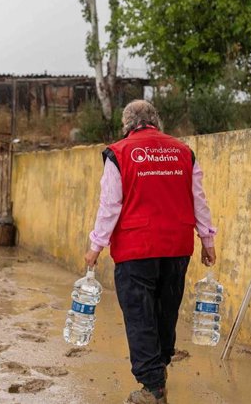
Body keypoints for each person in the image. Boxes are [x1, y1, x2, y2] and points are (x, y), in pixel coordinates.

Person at [85, 100, 217, 404]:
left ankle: (153, 388)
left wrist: (96, 246)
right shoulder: (184, 152)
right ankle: (160, 368)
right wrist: (207, 241)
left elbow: (110, 205)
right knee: (165, 311)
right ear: (156, 120)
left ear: (126, 124)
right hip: (177, 246)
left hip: (136, 249)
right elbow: (199, 199)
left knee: (140, 315)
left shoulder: (118, 153)